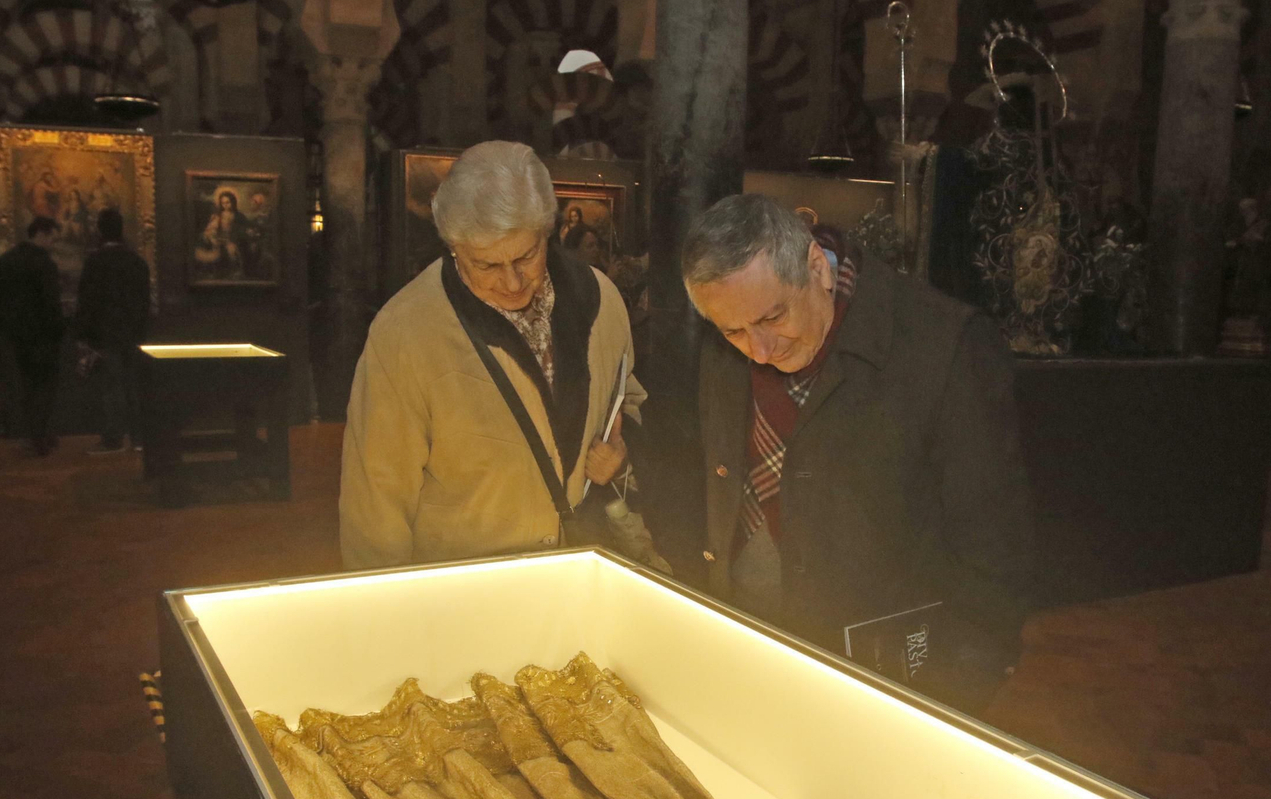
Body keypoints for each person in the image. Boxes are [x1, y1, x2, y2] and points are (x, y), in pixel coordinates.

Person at [683, 193, 1033, 713]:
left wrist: (956, 691)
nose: (759, 350)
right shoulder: (727, 342)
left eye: (773, 316)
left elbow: (993, 544)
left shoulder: (944, 345)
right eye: (733, 331)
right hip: (751, 643)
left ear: (816, 268)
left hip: (887, 672)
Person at [341, 141, 644, 569]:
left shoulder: (601, 302)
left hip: (577, 567)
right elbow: (376, 498)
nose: (513, 282)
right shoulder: (405, 332)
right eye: (485, 265)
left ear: (547, 232)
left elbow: (628, 404)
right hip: (463, 582)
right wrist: (382, 609)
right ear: (453, 247)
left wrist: (623, 454)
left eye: (526, 255)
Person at [75, 209, 151, 454]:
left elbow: (87, 302)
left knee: (111, 387)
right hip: (134, 333)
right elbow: (144, 302)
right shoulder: (137, 262)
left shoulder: (95, 262)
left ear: (100, 230)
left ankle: (113, 439)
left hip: (105, 334)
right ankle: (139, 438)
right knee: (135, 386)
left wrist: (82, 335)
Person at [0, 217, 67, 456]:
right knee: (45, 387)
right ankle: (40, 436)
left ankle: (31, 434)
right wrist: (59, 330)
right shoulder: (44, 264)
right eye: (52, 238)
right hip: (43, 335)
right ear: (42, 234)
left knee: (27, 386)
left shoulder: (7, 261)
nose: (53, 244)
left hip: (17, 335)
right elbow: (50, 304)